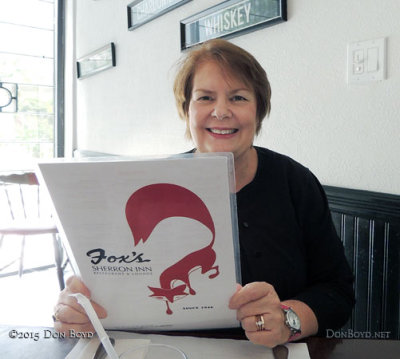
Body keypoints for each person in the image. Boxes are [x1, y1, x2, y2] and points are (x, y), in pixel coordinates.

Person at [53, 39, 355, 348]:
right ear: (187, 109)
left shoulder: (295, 182)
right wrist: (78, 309)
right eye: (205, 97)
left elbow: (338, 292)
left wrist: (287, 320)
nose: (221, 111)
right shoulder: (149, 190)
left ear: (259, 110)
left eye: (238, 97)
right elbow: (108, 286)